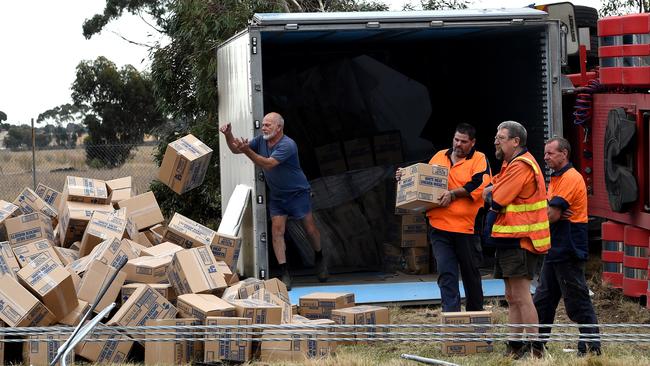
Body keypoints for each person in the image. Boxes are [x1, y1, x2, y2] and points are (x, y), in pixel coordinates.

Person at [219, 112, 328, 289]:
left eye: (268, 125)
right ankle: (285, 273)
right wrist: (228, 135)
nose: (263, 128)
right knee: (277, 230)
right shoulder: (260, 141)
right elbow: (234, 149)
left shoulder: (288, 144)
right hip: (278, 195)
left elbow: (268, 163)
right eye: (263, 124)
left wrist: (247, 151)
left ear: (279, 127)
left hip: (298, 192)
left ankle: (319, 256)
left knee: (310, 229)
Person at [396, 123, 491, 312]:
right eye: (456, 139)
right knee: (446, 273)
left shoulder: (479, 159)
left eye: (464, 141)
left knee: (470, 275)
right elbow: (423, 179)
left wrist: (453, 194)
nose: (458, 144)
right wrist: (403, 175)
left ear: (472, 143)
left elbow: (480, 184)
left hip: (467, 229)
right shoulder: (440, 156)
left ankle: (475, 317)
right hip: (439, 227)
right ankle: (451, 318)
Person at [483, 121, 551, 359]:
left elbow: (497, 198)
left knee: (521, 296)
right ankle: (514, 347)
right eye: (496, 136)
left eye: (501, 137)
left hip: (521, 240)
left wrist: (490, 193)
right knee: (511, 297)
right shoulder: (509, 164)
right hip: (509, 239)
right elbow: (492, 188)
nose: (496, 140)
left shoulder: (521, 165)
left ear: (516, 141)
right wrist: (490, 191)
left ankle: (536, 350)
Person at [533, 137, 601, 356]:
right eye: (545, 153)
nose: (545, 157)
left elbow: (551, 215)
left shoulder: (572, 178)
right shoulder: (556, 178)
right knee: (543, 300)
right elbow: (549, 211)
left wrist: (551, 213)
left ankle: (591, 347)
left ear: (564, 153)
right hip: (555, 246)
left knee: (576, 299)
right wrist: (549, 211)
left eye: (550, 153)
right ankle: (537, 345)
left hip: (569, 246)